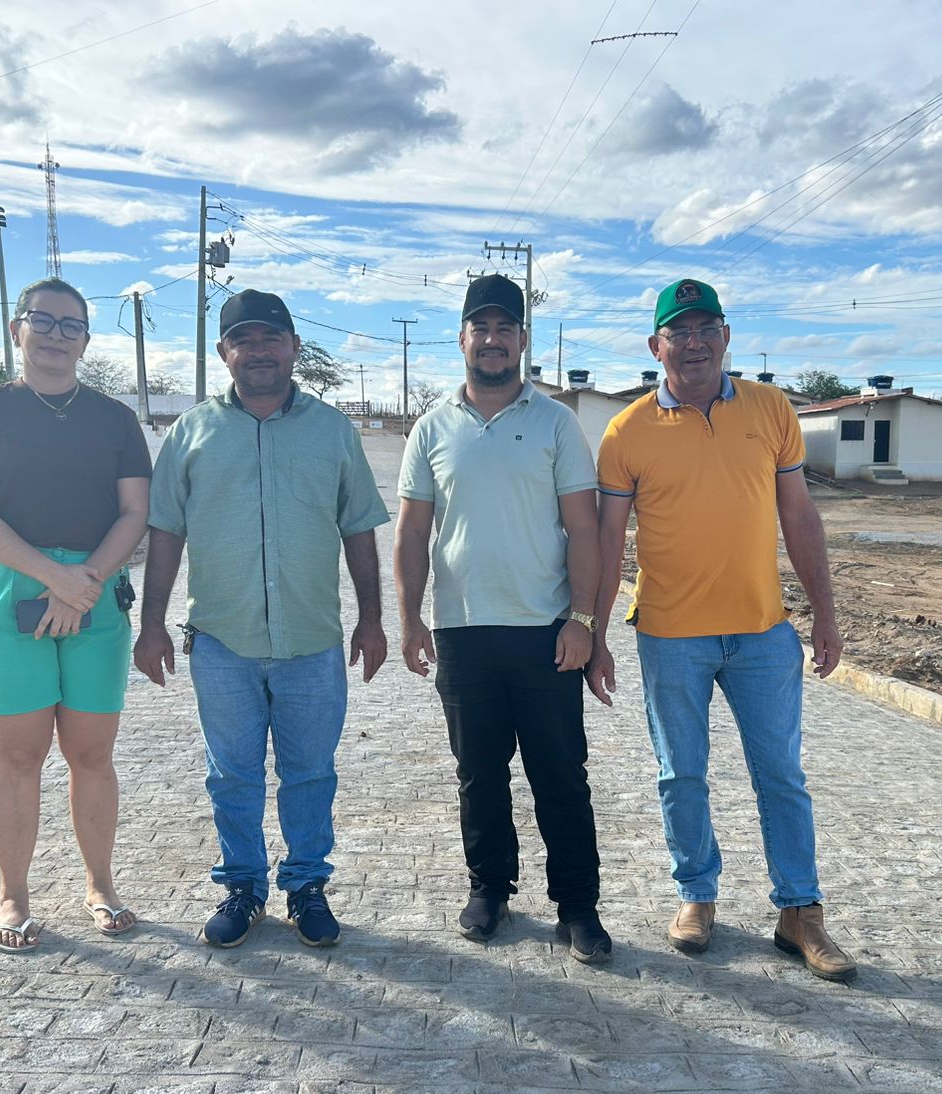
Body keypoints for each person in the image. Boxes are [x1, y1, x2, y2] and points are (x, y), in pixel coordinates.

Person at [589, 278, 857, 981]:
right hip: (670, 635)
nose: (695, 342)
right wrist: (594, 632)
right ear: (655, 347)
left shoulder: (771, 410)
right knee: (681, 774)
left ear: (727, 337)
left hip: (763, 633)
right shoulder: (627, 431)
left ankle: (800, 911)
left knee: (782, 776)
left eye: (707, 328)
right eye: (679, 331)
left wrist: (825, 614)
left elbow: (799, 516)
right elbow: (609, 540)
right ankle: (696, 894)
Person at [134, 289, 388, 950]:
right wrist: (152, 623)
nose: (259, 351)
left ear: (294, 347)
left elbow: (359, 528)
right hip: (223, 641)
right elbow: (166, 532)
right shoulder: (191, 433)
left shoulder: (333, 431)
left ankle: (306, 887)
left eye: (271, 337)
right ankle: (243, 888)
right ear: (224, 352)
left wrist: (372, 619)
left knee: (311, 774)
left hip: (312, 641)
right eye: (243, 340)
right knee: (232, 776)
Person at [395, 274, 612, 963]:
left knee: (560, 774)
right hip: (463, 631)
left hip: (546, 630)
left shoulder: (555, 422)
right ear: (462, 339)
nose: (492, 340)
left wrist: (584, 620)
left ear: (522, 339)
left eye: (505, 328)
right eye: (480, 328)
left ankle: (577, 906)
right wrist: (409, 618)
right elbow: (412, 531)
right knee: (478, 773)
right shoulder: (432, 427)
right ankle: (489, 888)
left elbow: (584, 529)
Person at [0, 277, 152, 953]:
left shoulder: (114, 420)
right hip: (11, 590)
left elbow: (134, 513)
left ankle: (100, 884)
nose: (57, 335)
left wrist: (81, 582)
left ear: (86, 340)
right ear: (18, 330)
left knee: (92, 753)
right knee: (18, 753)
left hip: (96, 588)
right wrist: (52, 577)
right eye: (44, 321)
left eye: (72, 325)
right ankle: (14, 896)